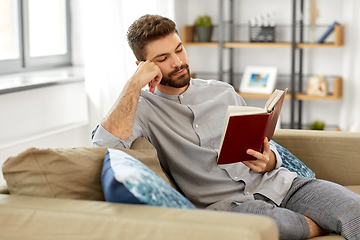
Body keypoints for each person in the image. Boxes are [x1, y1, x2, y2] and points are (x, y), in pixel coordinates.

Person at [92, 14, 360, 240]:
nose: (177, 62)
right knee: (266, 225)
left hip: (281, 183)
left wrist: (268, 160)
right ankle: (318, 225)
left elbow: (263, 149)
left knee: (355, 211)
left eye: (179, 49)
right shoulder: (142, 110)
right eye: (163, 58)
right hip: (231, 207)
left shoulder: (223, 92)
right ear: (143, 66)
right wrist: (132, 85)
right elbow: (104, 144)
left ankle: (321, 223)